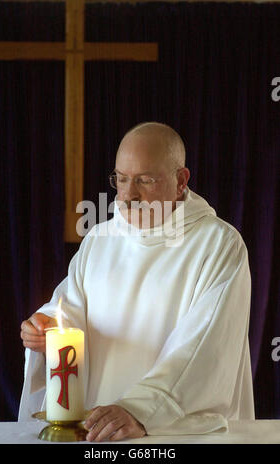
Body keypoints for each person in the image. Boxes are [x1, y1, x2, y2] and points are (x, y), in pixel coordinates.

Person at [19, 122, 254, 441]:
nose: (128, 195)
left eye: (144, 180)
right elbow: (72, 308)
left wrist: (140, 410)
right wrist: (46, 329)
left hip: (170, 431)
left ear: (181, 180)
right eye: (122, 179)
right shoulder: (101, 238)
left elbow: (206, 346)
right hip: (97, 428)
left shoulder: (217, 245)